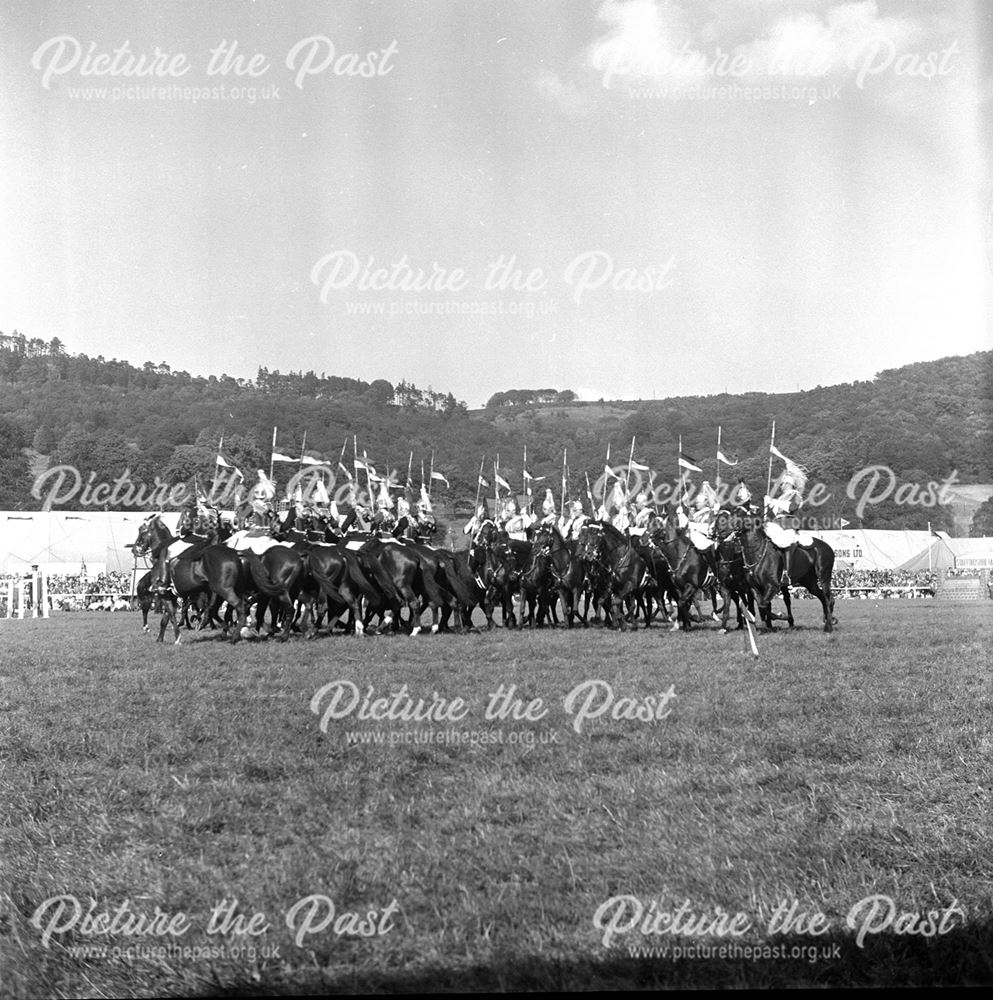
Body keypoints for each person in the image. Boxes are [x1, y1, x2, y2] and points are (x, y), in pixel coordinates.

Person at [764, 473, 804, 548]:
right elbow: (776, 512)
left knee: (785, 543)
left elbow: (792, 507)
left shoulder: (796, 495)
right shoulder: (781, 498)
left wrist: (774, 501)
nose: (781, 486)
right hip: (778, 523)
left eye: (783, 484)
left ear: (788, 484)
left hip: (789, 523)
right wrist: (769, 502)